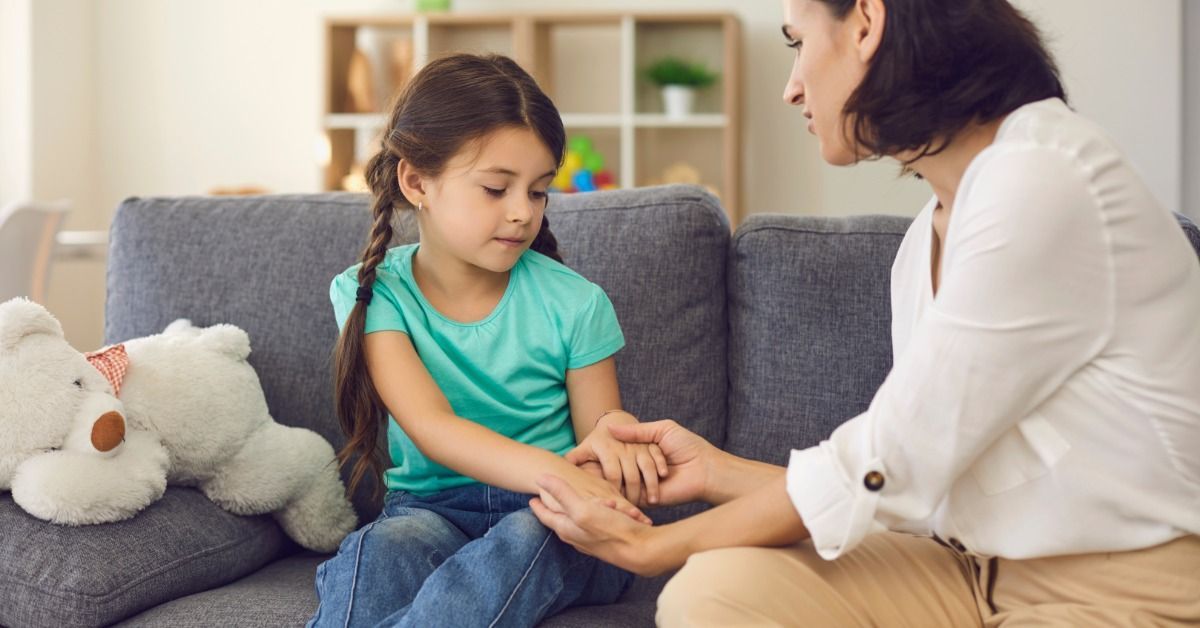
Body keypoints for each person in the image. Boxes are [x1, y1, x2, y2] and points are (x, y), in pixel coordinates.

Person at [530, 0, 1200, 625]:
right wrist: (715, 470)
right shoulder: (927, 239)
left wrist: (657, 546)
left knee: (687, 569)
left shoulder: (1042, 179)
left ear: (866, 23)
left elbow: (888, 460)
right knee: (714, 594)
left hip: (1123, 586)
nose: (792, 86)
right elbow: (906, 485)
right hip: (965, 570)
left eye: (799, 43)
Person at [308, 53, 668, 628]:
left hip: (551, 514)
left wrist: (615, 455)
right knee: (381, 552)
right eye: (496, 189)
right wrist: (559, 473)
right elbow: (433, 429)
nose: (523, 213)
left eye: (538, 191)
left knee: (534, 532)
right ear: (416, 181)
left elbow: (601, 434)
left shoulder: (576, 302)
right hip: (430, 510)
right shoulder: (372, 294)